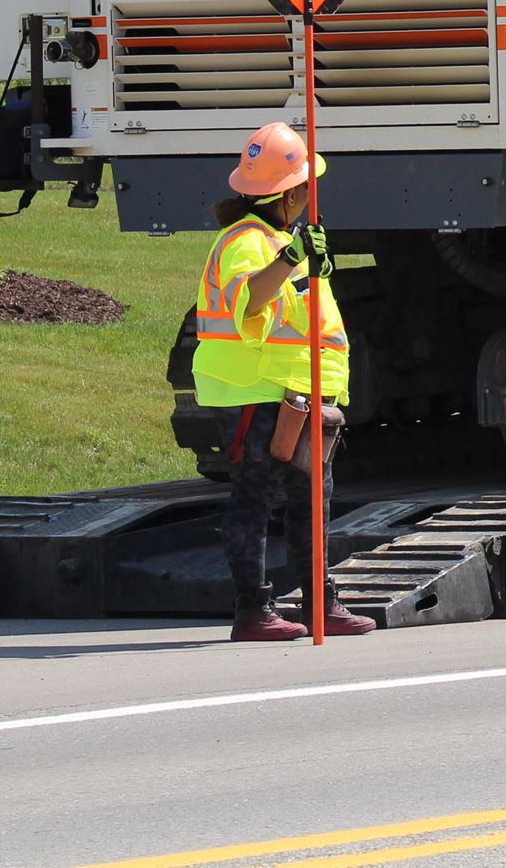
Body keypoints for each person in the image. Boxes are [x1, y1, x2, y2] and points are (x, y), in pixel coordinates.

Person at [191, 122, 373, 640]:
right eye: (306, 187)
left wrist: (301, 260)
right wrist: (291, 258)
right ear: (290, 194)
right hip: (258, 391)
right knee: (254, 499)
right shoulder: (247, 242)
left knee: (312, 498)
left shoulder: (273, 238)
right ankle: (253, 611)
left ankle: (319, 602)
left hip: (297, 392)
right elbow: (248, 299)